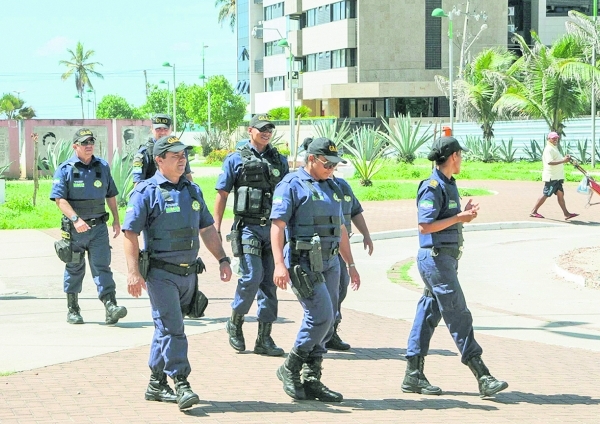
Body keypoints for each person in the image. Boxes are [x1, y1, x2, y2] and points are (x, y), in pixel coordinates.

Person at [122, 135, 232, 410]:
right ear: (159, 160)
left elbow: (206, 228)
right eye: (175, 155)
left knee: (165, 329)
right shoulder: (146, 191)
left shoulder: (192, 191)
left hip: (188, 275)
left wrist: (222, 258)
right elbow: (130, 233)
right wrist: (133, 273)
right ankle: (181, 382)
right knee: (174, 329)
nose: (182, 159)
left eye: (184, 154)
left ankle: (155, 383)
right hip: (161, 275)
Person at [402, 136, 508, 398]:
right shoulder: (432, 186)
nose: (462, 159)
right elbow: (425, 226)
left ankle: (413, 375)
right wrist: (459, 217)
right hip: (436, 260)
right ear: (453, 156)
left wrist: (463, 216)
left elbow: (445, 221)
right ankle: (482, 375)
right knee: (458, 314)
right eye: (461, 155)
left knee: (428, 313)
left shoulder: (449, 184)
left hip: (444, 259)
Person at [270, 137, 361, 402]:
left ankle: (312, 380)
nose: (332, 168)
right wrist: (278, 264)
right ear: (311, 159)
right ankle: (290, 367)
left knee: (329, 320)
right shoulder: (291, 185)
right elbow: (277, 227)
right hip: (303, 262)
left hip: (331, 262)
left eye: (335, 164)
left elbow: (341, 227)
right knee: (320, 315)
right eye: (327, 163)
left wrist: (351, 264)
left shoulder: (333, 187)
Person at [214, 115, 289, 356]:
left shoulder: (279, 160)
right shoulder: (235, 159)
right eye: (262, 128)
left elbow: (288, 194)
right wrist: (215, 226)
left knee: (270, 283)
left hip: (274, 230)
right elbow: (222, 194)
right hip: (248, 228)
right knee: (251, 277)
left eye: (270, 128)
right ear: (250, 130)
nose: (267, 132)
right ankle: (235, 322)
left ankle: (264, 339)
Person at [50, 128, 127, 325]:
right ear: (75, 146)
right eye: (84, 143)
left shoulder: (102, 166)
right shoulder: (65, 169)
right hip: (75, 230)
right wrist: (76, 219)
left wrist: (116, 220)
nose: (89, 145)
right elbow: (59, 200)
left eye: (91, 141)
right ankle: (73, 309)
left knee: (103, 267)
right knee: (74, 268)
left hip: (99, 228)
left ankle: (111, 307)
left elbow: (111, 194)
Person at [327, 174, 373, 351]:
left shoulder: (342, 185)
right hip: (321, 248)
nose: (331, 167)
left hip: (340, 249)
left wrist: (366, 235)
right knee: (325, 292)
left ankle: (331, 331)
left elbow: (355, 211)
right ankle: (321, 331)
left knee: (341, 287)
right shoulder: (312, 186)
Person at [530, 131, 578, 220]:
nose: (555, 139)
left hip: (558, 177)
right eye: (553, 138)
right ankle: (533, 211)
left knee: (560, 195)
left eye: (556, 138)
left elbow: (557, 159)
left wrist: (564, 158)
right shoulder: (549, 149)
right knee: (546, 194)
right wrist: (563, 161)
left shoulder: (554, 148)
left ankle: (566, 214)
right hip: (552, 177)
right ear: (549, 139)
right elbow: (550, 162)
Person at [132, 114, 193, 184]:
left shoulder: (181, 149)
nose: (162, 132)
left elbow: (188, 175)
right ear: (151, 129)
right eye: (158, 129)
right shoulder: (144, 153)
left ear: (171, 129)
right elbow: (137, 182)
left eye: (165, 129)